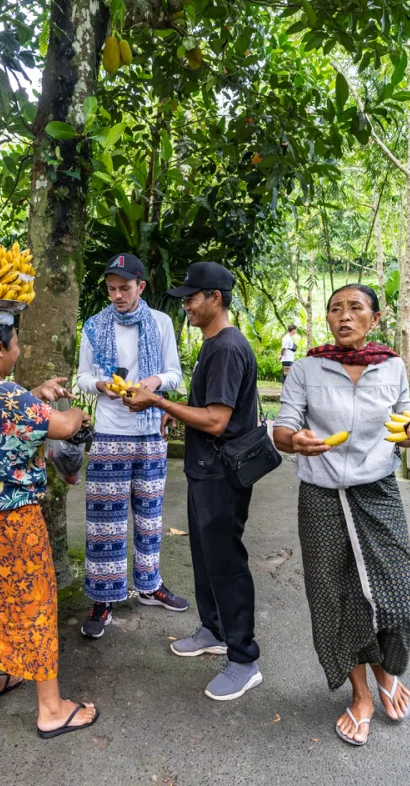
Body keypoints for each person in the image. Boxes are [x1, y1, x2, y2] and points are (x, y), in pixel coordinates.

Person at [272, 284, 410, 746]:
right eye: (336, 309)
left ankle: (388, 672)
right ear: (328, 319)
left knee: (396, 587)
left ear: (374, 318)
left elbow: (404, 426)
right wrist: (296, 441)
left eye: (355, 308)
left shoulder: (391, 366)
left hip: (377, 489)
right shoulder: (308, 367)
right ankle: (361, 695)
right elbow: (283, 427)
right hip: (320, 495)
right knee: (334, 595)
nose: (344, 316)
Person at [0, 311, 100, 739]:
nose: (18, 349)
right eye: (15, 342)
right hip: (11, 518)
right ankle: (51, 709)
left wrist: (35, 395)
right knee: (34, 600)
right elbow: (65, 425)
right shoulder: (14, 400)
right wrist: (79, 415)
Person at [124, 262, 264, 701]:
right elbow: (206, 407)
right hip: (205, 471)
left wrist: (158, 401)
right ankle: (214, 630)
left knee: (226, 563)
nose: (185, 304)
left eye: (192, 297)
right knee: (205, 557)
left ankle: (244, 660)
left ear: (214, 299)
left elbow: (217, 421)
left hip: (222, 474)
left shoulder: (225, 348)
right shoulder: (213, 344)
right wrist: (175, 410)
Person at [75, 254, 188, 639]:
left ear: (141, 286)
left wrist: (153, 383)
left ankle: (149, 585)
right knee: (104, 522)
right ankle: (104, 598)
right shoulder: (94, 326)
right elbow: (82, 377)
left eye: (125, 288)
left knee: (150, 517)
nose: (118, 295)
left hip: (150, 432)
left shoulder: (161, 323)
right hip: (109, 433)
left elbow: (175, 373)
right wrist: (101, 385)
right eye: (111, 289)